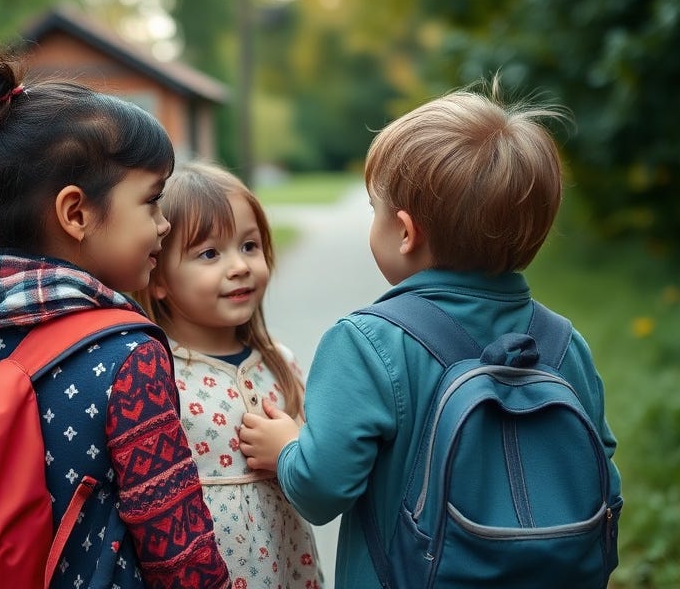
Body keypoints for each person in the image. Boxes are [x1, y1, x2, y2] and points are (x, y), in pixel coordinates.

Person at [237, 79, 621, 587]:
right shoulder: (563, 342)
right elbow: (600, 469)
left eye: (375, 210)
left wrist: (286, 447)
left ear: (404, 231)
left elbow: (322, 488)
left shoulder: (365, 342)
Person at [0, 35, 230, 589]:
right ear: (76, 212)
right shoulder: (129, 356)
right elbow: (180, 552)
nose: (163, 226)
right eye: (151, 201)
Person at [130, 161, 324, 588]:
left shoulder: (280, 363)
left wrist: (294, 450)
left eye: (250, 246)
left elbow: (322, 471)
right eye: (210, 253)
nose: (239, 266)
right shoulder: (156, 375)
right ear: (158, 276)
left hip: (286, 566)